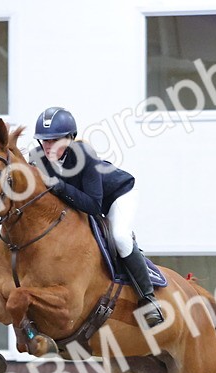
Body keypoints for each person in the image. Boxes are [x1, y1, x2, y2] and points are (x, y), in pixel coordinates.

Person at [28, 106, 165, 327]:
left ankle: (148, 299)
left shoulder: (85, 155)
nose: (48, 146)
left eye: (55, 140)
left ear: (70, 139)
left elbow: (93, 205)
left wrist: (59, 186)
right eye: (45, 141)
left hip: (117, 196)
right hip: (79, 203)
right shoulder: (37, 159)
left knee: (120, 237)